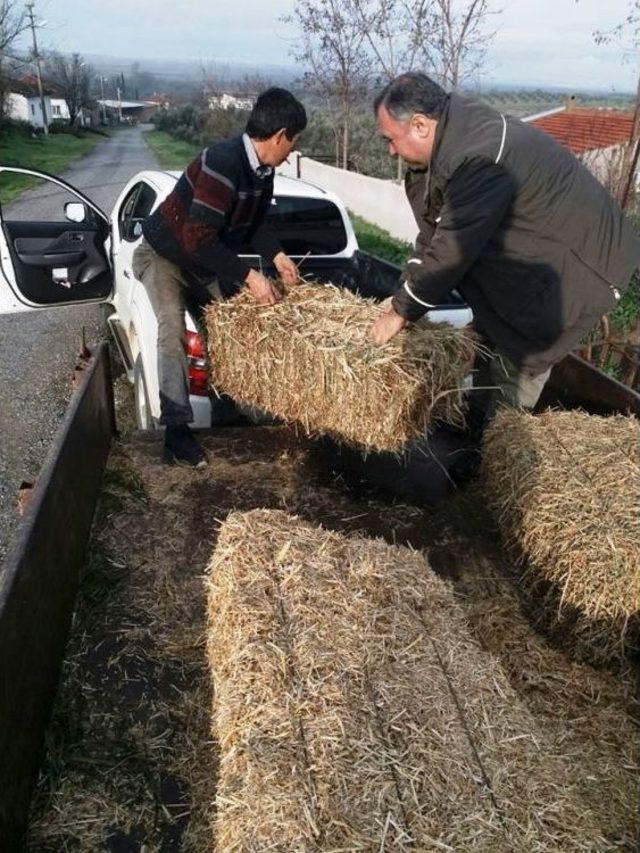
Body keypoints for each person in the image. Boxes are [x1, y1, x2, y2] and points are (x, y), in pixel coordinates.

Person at [369, 72, 640, 429]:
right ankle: (473, 435)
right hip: (528, 262)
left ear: (420, 125)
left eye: (390, 139)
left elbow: (452, 250)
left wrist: (399, 313)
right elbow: (434, 236)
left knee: (515, 373)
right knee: (484, 349)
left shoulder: (478, 155)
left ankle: (496, 455)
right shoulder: (445, 144)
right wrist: (403, 294)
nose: (390, 150)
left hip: (572, 275)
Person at [133, 87, 307, 467]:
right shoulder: (222, 161)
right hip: (164, 255)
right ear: (279, 136)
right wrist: (251, 277)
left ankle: (227, 408)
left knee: (226, 330)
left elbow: (254, 223)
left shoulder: (262, 173)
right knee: (172, 332)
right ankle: (176, 433)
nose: (292, 151)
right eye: (293, 142)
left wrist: (276, 256)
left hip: (202, 260)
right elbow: (197, 236)